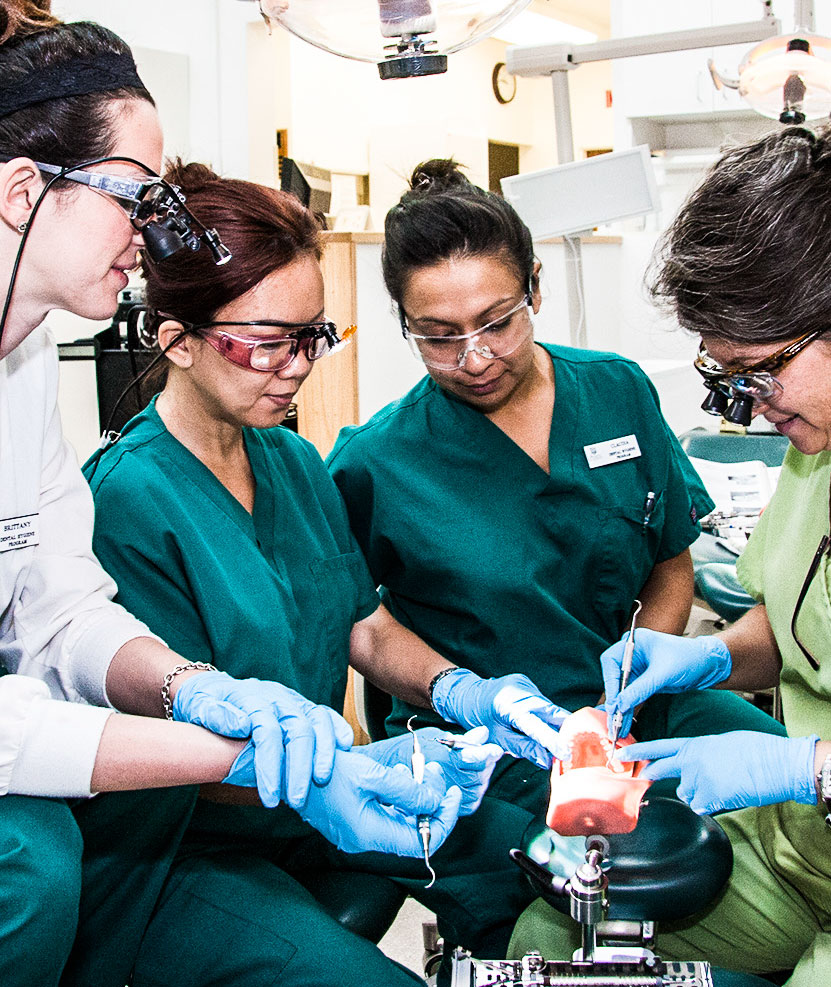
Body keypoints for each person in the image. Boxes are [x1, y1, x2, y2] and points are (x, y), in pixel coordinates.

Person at [0, 6, 460, 986]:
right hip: (156, 854)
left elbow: (57, 612)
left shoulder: (26, 353)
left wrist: (189, 686)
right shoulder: (139, 489)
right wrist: (231, 755)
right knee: (29, 871)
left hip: (233, 821)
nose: (157, 230)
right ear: (22, 190)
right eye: (136, 195)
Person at [83, 158, 576, 983]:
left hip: (309, 810)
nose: (298, 366)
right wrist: (337, 774)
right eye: (268, 344)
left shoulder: (291, 459)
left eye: (313, 336)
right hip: (186, 849)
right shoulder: (128, 501)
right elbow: (160, 746)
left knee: (529, 858)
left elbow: (362, 624)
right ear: (175, 339)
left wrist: (464, 689)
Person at [325, 158, 786, 822]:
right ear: (403, 323)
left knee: (791, 802)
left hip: (639, 710)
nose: (476, 357)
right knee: (588, 879)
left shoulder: (614, 391)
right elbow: (356, 623)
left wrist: (635, 678)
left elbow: (668, 558)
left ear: (533, 289)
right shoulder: (375, 461)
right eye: (439, 337)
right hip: (485, 748)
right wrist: (457, 692)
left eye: (496, 322)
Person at [509, 125, 831, 986]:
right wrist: (705, 656)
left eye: (759, 372)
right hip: (804, 847)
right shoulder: (813, 454)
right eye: (725, 377)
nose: (751, 411)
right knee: (545, 941)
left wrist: (800, 763)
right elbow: (799, 624)